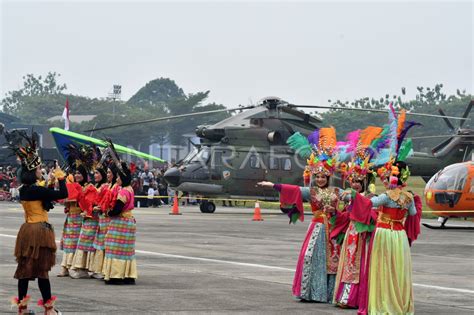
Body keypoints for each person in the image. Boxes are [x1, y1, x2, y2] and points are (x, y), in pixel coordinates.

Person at [258, 127, 341, 303]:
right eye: (317, 176)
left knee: (333, 262)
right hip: (317, 228)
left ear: (328, 177)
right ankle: (312, 292)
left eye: (323, 177)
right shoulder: (310, 191)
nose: (320, 179)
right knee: (313, 258)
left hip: (334, 230)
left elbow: (353, 198)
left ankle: (330, 292)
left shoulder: (337, 191)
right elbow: (293, 189)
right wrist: (272, 185)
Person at [9, 131, 67, 314]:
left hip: (27, 230)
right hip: (40, 231)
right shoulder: (36, 190)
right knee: (42, 270)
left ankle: (22, 309)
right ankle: (49, 309)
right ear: (33, 172)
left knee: (24, 270)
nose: (40, 171)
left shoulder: (25, 190)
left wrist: (48, 184)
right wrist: (61, 178)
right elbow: (62, 195)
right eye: (38, 169)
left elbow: (44, 202)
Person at [331, 126, 383, 309]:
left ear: (365, 182)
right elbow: (346, 216)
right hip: (351, 234)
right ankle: (346, 296)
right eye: (352, 181)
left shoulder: (371, 199)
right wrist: (334, 212)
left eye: (358, 182)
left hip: (363, 238)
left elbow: (372, 215)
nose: (354, 184)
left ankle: (355, 297)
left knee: (359, 265)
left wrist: (354, 198)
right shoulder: (349, 196)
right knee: (349, 264)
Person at [103, 161, 138, 284]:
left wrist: (108, 212)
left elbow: (117, 209)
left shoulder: (123, 192)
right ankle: (128, 275)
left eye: (118, 176)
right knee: (127, 251)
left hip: (120, 223)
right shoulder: (130, 189)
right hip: (129, 222)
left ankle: (116, 275)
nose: (117, 179)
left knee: (115, 249)